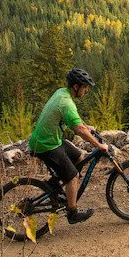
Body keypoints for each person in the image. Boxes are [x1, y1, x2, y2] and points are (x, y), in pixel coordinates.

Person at [28, 67, 110, 224]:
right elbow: (78, 130)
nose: (86, 91)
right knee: (73, 176)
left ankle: (54, 187)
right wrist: (99, 145)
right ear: (76, 86)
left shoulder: (63, 93)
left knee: (79, 157)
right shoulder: (66, 103)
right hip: (46, 145)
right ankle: (72, 213)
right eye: (85, 87)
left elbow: (76, 121)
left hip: (52, 140)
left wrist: (87, 127)